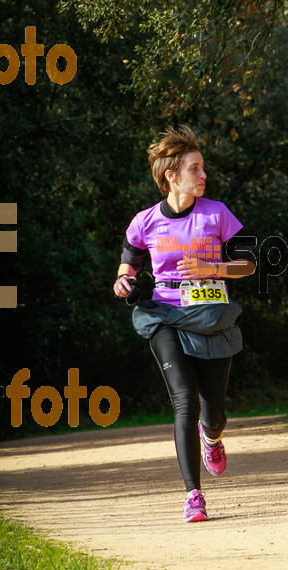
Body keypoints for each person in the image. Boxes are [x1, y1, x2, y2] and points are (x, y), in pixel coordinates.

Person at [114, 125, 255, 521]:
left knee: (213, 411)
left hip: (211, 317)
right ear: (171, 176)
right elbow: (129, 262)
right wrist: (123, 280)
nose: (204, 175)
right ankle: (194, 494)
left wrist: (213, 266)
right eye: (196, 168)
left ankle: (212, 437)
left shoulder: (218, 214)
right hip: (164, 316)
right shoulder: (145, 222)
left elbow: (248, 264)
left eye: (203, 167)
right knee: (184, 401)